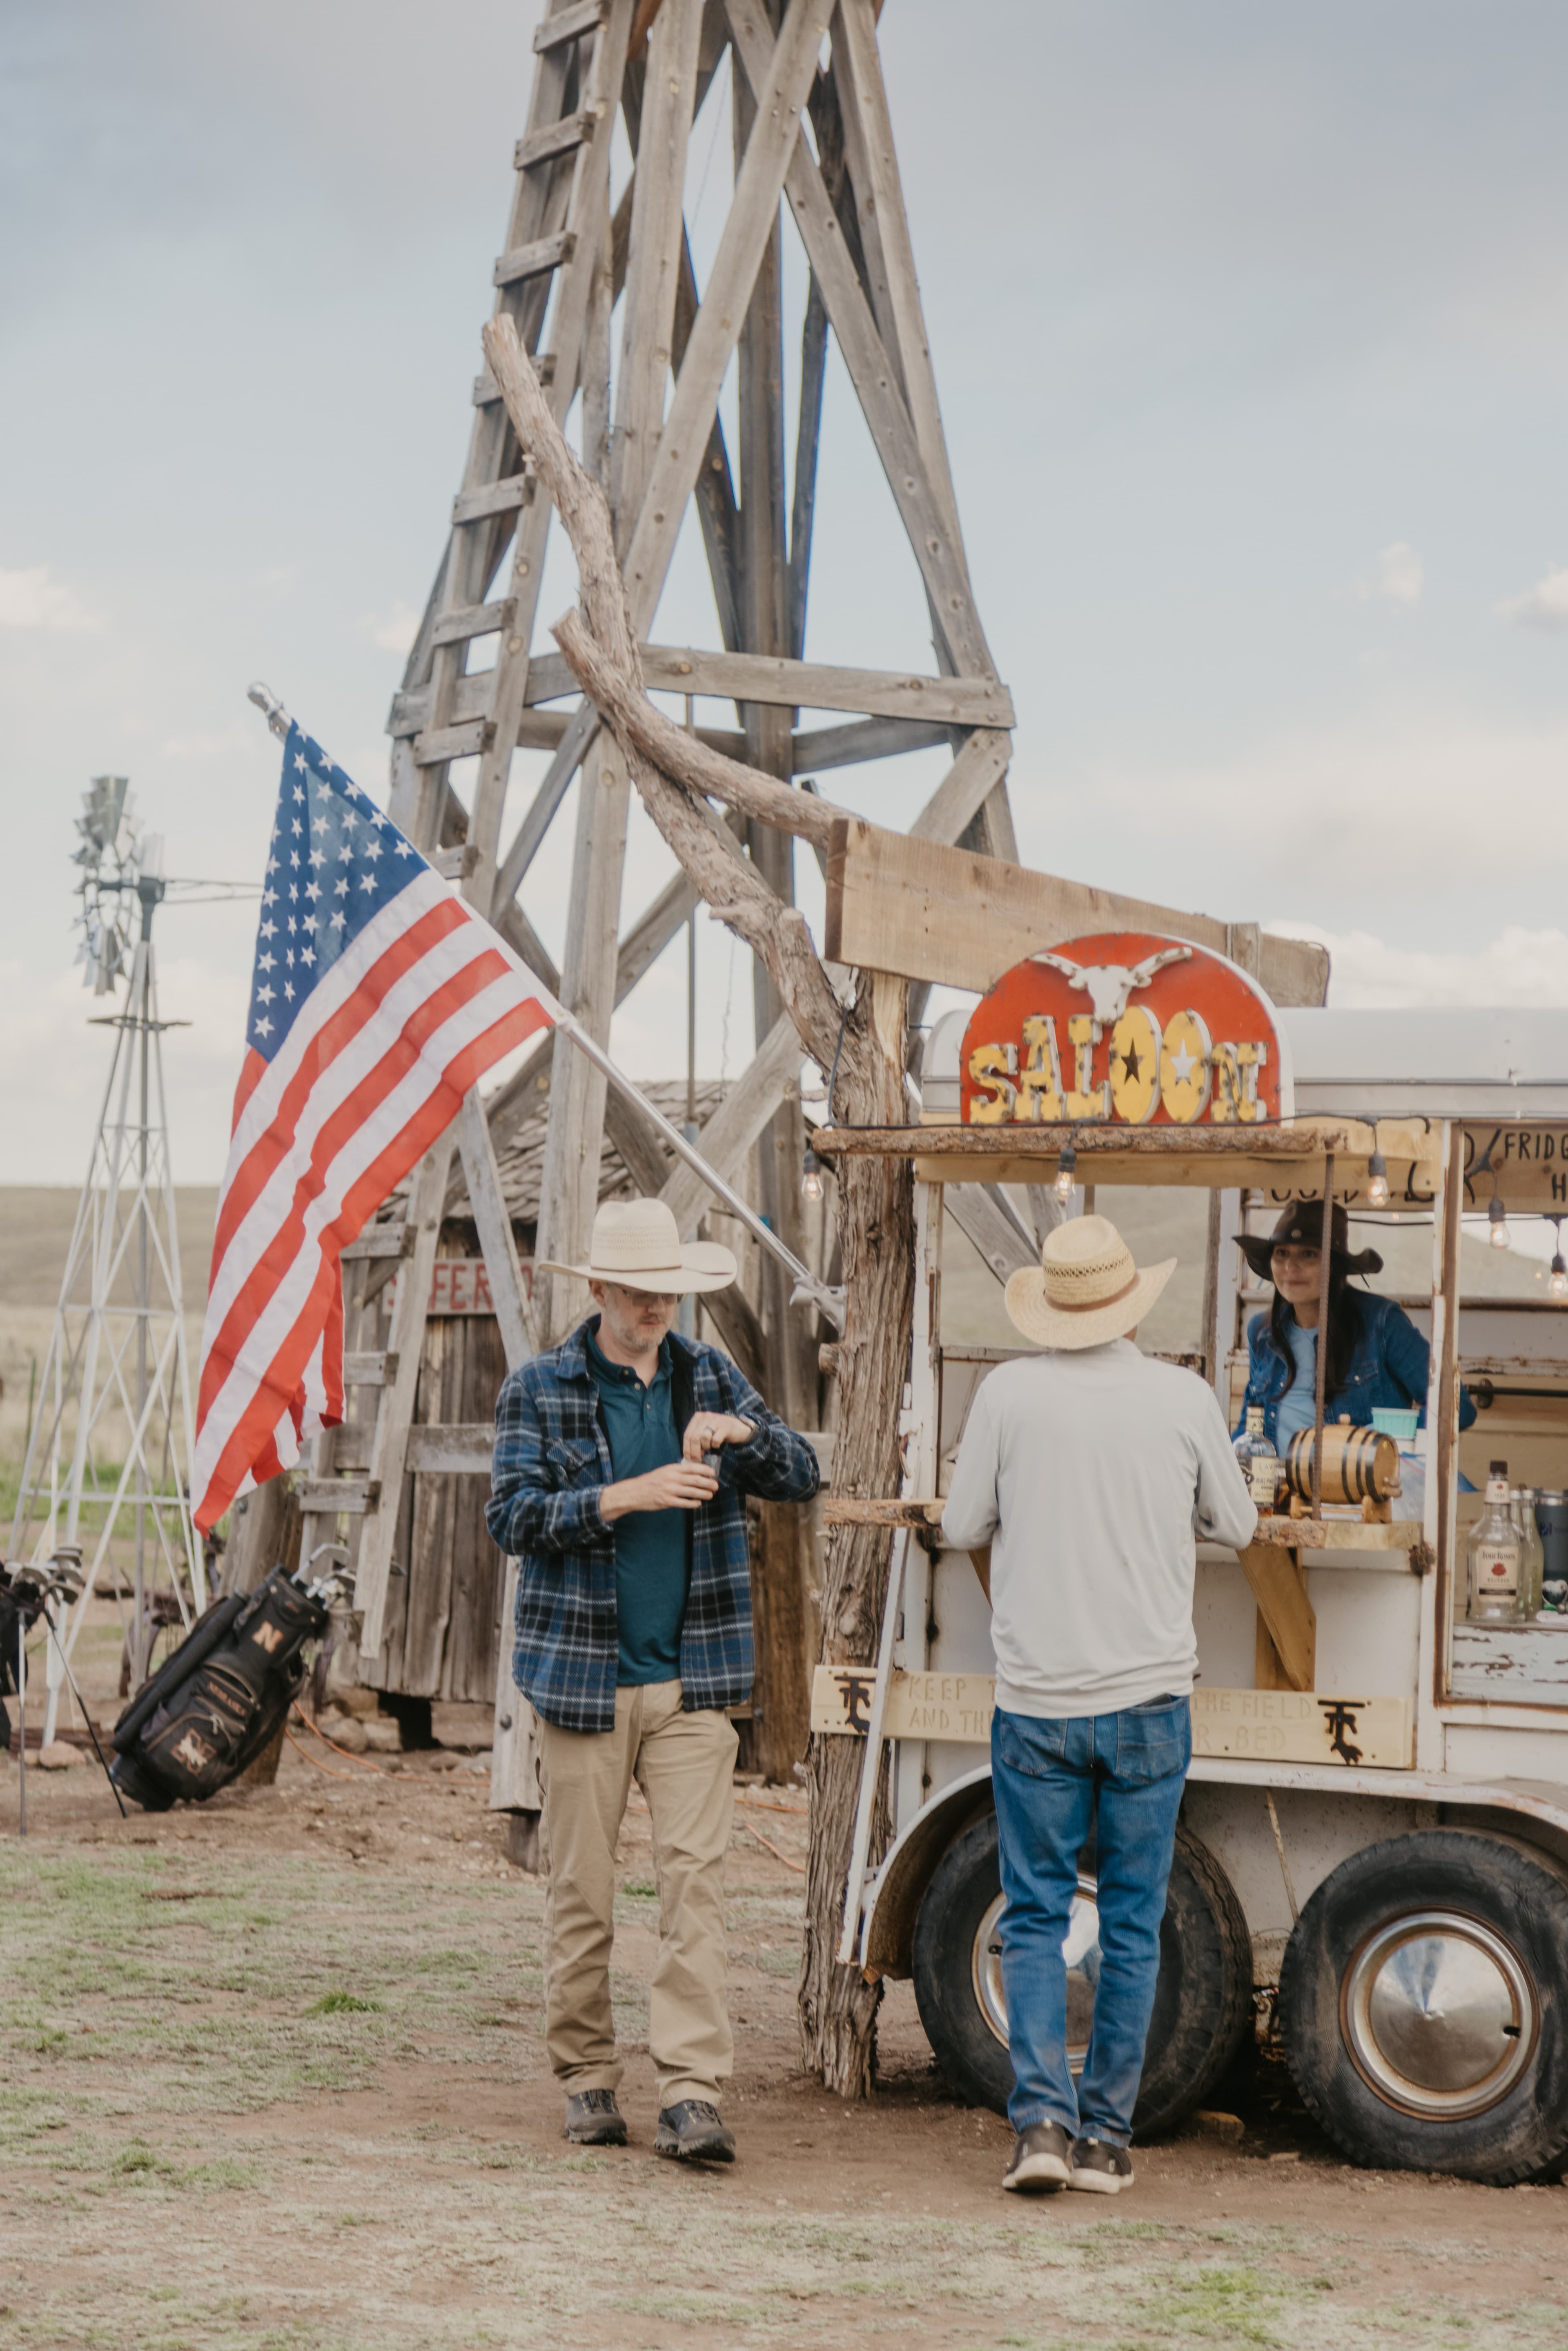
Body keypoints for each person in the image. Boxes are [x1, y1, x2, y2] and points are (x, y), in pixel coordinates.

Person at [485, 1197, 820, 2166]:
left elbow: (798, 1472)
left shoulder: (707, 1373)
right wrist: (620, 1497)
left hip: (694, 1677)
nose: (653, 1309)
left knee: (695, 1889)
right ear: (596, 1289)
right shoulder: (538, 1387)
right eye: (637, 1293)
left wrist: (743, 1439)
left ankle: (688, 2091)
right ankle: (587, 2078)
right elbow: (510, 1517)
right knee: (581, 1890)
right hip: (582, 1678)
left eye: (666, 1293)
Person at [942, 1214, 1256, 2198]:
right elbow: (1238, 1523)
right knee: (1131, 1922)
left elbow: (960, 1523)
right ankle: (1107, 2139)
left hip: (1036, 1696)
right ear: (1132, 1302)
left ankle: (1038, 2121)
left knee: (1033, 1916)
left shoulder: (1007, 1392)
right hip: (1146, 1696)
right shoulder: (1180, 1396)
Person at [1234, 1201, 1476, 1448]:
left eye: (1308, 1254)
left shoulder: (1382, 1322)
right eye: (1281, 1253)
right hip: (1277, 1485)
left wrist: (1383, 1442)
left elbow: (1457, 1408)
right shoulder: (1261, 1332)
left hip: (1365, 1486)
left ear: (1335, 1265)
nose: (1290, 1267)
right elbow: (1249, 1426)